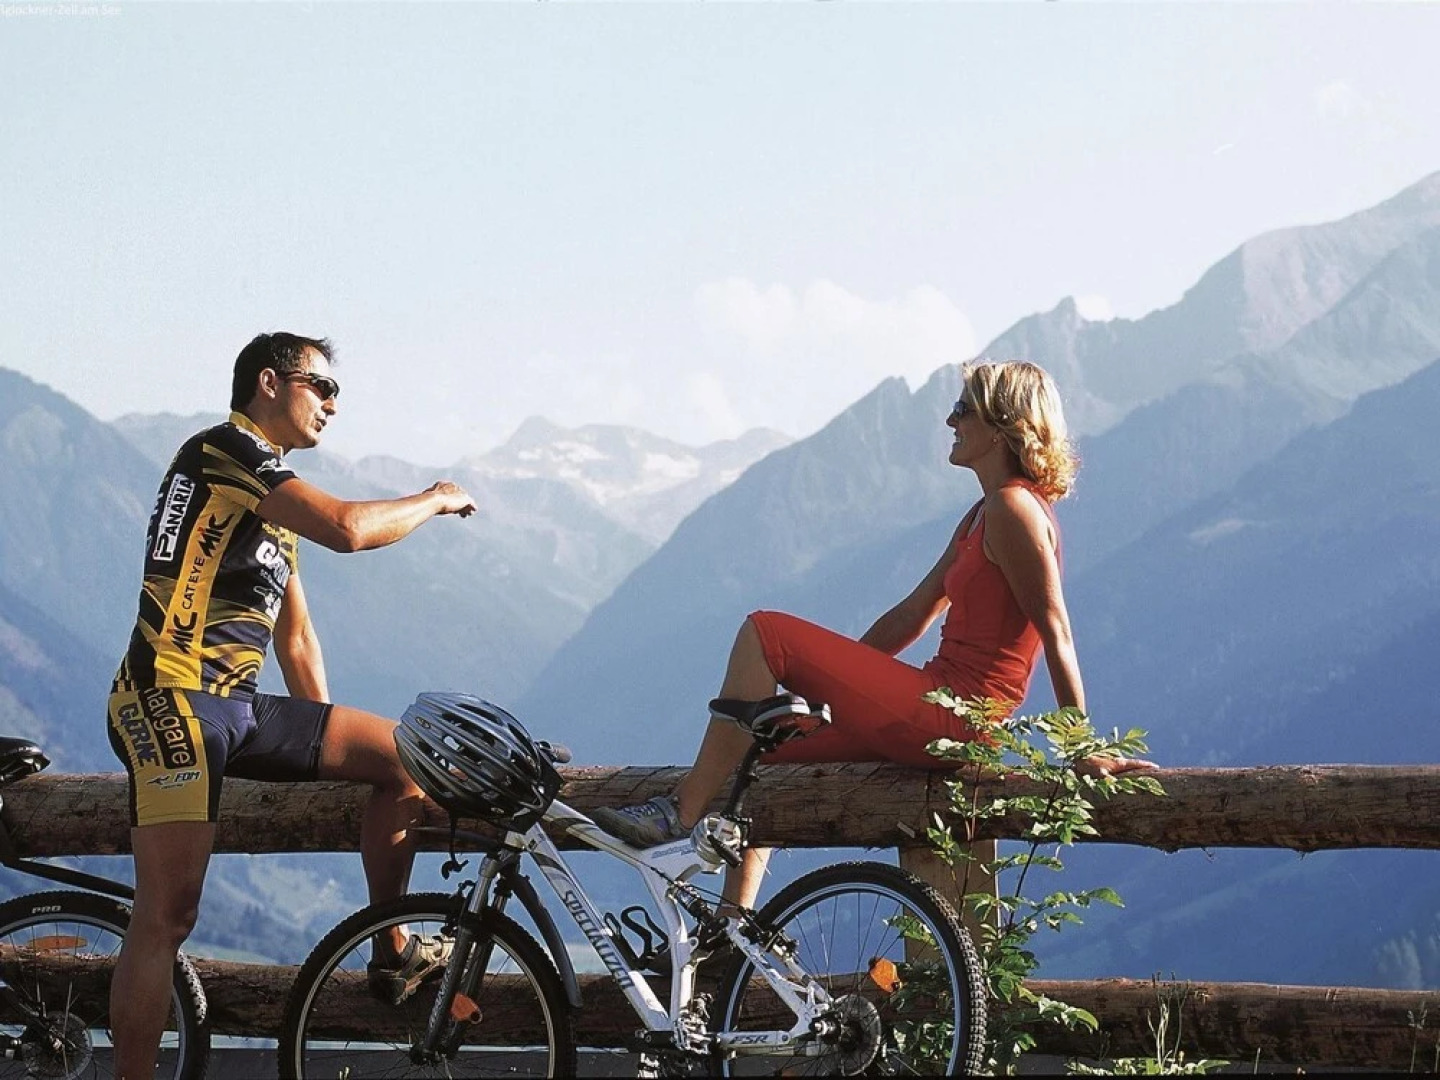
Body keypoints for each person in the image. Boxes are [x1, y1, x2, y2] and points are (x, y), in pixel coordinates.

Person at [593, 359, 1154, 909]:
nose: (950, 420)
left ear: (1002, 426)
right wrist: (832, 693)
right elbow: (913, 613)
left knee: (765, 632)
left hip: (957, 714)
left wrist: (1082, 751)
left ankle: (680, 813)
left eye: (963, 409)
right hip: (943, 708)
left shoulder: (1013, 509)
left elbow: (1056, 630)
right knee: (767, 749)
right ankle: (732, 929)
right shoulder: (983, 514)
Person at [105, 332, 477, 1079]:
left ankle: (390, 949)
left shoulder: (270, 499)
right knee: (168, 916)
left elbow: (297, 640)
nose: (333, 404)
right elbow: (347, 529)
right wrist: (435, 499)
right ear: (269, 384)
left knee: (402, 758)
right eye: (322, 387)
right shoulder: (225, 450)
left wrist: (325, 743)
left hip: (235, 708)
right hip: (169, 701)